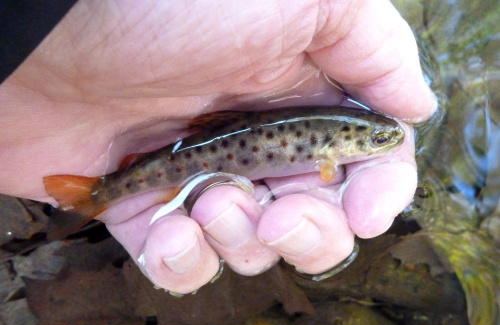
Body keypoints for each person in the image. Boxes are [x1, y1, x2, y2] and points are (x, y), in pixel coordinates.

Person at [0, 0, 435, 294]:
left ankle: (96, 195)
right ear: (340, 145)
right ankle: (95, 195)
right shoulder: (328, 156)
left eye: (380, 137)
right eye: (378, 139)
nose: (387, 140)